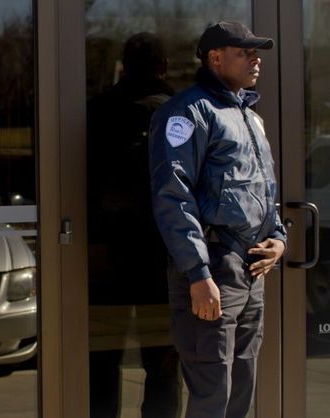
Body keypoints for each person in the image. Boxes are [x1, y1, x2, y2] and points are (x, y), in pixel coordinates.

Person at [148, 21, 287, 418]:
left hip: (251, 269)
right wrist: (197, 274)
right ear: (215, 57)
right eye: (244, 51)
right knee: (213, 392)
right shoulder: (186, 113)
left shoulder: (249, 116)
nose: (255, 59)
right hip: (213, 267)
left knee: (241, 387)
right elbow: (173, 197)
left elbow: (262, 191)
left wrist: (278, 239)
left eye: (256, 52)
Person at [87, 32, 180, 418]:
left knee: (102, 359)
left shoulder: (96, 110)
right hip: (162, 253)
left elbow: (84, 182)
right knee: (162, 363)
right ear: (163, 67)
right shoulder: (177, 113)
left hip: (105, 254)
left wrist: (94, 242)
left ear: (124, 67)